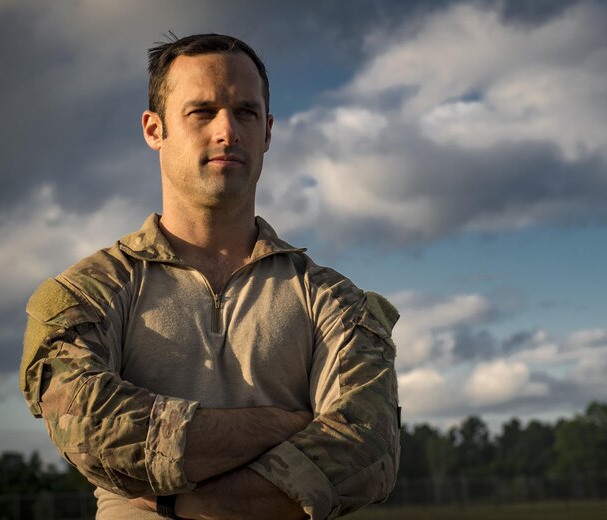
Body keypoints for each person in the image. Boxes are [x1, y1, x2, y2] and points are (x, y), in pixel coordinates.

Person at [20, 33, 400, 520]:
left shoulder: (332, 300)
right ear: (154, 129)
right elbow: (91, 429)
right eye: (201, 112)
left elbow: (366, 450)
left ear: (267, 132)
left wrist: (183, 503)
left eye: (245, 112)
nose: (228, 131)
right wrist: (281, 425)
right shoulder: (87, 293)